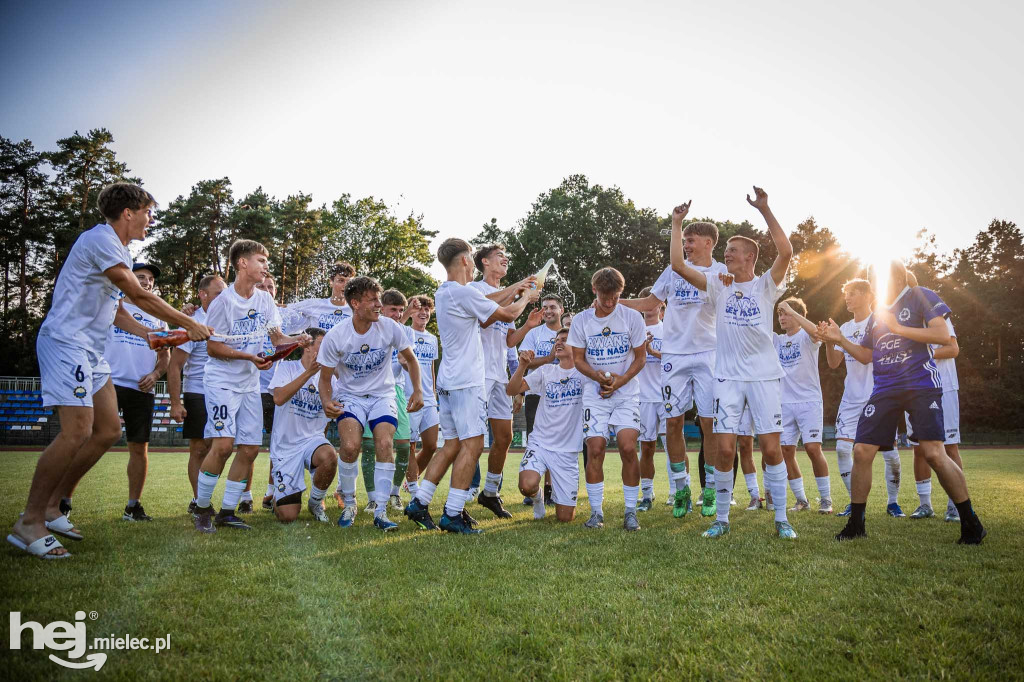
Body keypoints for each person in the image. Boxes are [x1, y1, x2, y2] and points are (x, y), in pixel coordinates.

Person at [9, 182, 210, 559]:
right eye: (148, 212)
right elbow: (138, 295)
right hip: (67, 343)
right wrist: (190, 322)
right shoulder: (101, 239)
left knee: (107, 431)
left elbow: (119, 311)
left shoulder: (114, 249)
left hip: (91, 350)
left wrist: (151, 333)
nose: (151, 220)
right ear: (129, 212)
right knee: (77, 431)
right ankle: (30, 521)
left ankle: (54, 506)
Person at [822, 261, 985, 544]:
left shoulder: (920, 294)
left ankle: (970, 521)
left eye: (878, 277)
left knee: (934, 453)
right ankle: (856, 523)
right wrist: (839, 339)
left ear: (894, 278)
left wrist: (898, 327)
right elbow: (864, 355)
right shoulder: (877, 315)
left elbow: (942, 336)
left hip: (921, 384)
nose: (874, 283)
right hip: (885, 387)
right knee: (861, 451)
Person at [668, 188, 798, 539]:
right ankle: (721, 519)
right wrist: (677, 223)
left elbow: (786, 251)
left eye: (733, 251)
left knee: (772, 449)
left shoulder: (767, 286)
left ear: (750, 259)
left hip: (764, 378)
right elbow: (678, 265)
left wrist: (766, 209)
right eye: (726, 250)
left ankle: (782, 518)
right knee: (724, 449)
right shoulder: (717, 284)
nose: (727, 253)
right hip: (726, 377)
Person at [404, 238, 536, 534]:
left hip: (449, 382)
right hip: (467, 382)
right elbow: (508, 314)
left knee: (451, 445)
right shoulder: (463, 293)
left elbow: (491, 300)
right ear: (466, 260)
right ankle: (452, 513)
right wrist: (525, 298)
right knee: (474, 444)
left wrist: (515, 288)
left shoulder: (446, 292)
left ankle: (419, 502)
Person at [192, 239, 312, 533]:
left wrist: (298, 339)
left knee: (249, 448)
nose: (265, 267)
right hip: (222, 382)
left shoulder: (265, 300)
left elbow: (276, 340)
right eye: (261, 260)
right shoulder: (223, 303)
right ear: (242, 263)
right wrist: (249, 356)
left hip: (249, 384)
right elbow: (213, 348)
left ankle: (228, 512)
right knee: (222, 446)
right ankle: (202, 507)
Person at [621, 215, 728, 519]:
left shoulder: (721, 272)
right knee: (673, 425)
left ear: (708, 243)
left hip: (709, 355)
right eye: (684, 242)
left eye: (690, 241)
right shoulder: (672, 270)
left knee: (709, 425)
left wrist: (677, 222)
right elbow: (648, 304)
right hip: (675, 356)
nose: (686, 246)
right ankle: (681, 487)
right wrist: (614, 302)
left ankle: (709, 489)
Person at [317, 276, 423, 531]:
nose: (379, 304)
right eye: (372, 300)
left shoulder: (390, 328)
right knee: (351, 447)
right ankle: (350, 504)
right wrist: (326, 401)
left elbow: (412, 359)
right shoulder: (337, 336)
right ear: (355, 303)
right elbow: (324, 378)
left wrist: (418, 390)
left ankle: (381, 510)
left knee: (385, 443)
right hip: (350, 396)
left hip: (382, 395)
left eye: (379, 299)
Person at [567, 267, 647, 532]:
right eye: (605, 297)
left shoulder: (633, 317)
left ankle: (630, 511)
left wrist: (620, 382)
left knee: (627, 447)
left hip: (626, 394)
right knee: (596, 448)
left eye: (615, 296)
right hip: (595, 394)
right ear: (594, 291)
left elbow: (641, 357)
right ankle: (596, 512)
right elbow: (578, 359)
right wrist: (597, 376)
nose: (610, 302)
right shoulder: (581, 320)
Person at [469, 244, 541, 519]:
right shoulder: (475, 291)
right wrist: (519, 290)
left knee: (505, 436)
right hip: (477, 373)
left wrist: (528, 326)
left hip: (499, 375)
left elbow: (509, 339)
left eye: (506, 257)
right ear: (485, 262)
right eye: (500, 257)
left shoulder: (511, 296)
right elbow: (487, 320)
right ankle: (460, 497)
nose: (506, 260)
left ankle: (490, 493)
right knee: (472, 440)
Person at [822, 279, 903, 517]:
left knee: (890, 454)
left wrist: (840, 340)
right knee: (842, 449)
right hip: (851, 397)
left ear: (869, 295)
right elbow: (834, 363)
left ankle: (893, 502)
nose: (847, 298)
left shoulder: (880, 322)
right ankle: (853, 503)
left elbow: (867, 357)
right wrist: (829, 341)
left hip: (879, 395)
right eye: (846, 293)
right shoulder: (845, 327)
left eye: (853, 293)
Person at [105, 262, 171, 521]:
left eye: (150, 279)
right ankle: (64, 502)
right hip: (108, 383)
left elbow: (165, 357)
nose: (146, 282)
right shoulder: (112, 305)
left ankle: (133, 506)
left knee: (139, 448)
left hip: (141, 389)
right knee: (90, 440)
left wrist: (155, 375)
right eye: (140, 277)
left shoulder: (158, 317)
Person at [508, 329, 583, 522]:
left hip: (567, 451)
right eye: (557, 340)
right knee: (527, 485)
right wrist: (522, 366)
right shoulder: (546, 371)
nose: (558, 342)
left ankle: (560, 499)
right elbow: (512, 389)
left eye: (565, 340)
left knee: (566, 518)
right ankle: (538, 498)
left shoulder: (584, 374)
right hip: (540, 443)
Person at [168, 274, 227, 514]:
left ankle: (207, 497)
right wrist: (175, 402)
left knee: (221, 447)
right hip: (198, 392)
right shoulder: (192, 322)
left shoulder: (228, 318)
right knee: (199, 449)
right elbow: (174, 365)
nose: (223, 298)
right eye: (217, 293)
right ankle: (199, 501)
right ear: (203, 295)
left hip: (224, 392)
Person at [267, 328, 338, 523]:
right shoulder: (287, 368)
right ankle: (277, 496)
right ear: (307, 347)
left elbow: (339, 406)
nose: (328, 351)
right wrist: (308, 374)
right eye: (323, 345)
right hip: (286, 447)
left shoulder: (330, 379)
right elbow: (279, 398)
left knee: (330, 456)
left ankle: (315, 502)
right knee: (287, 516)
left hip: (311, 441)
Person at [774, 298, 833, 513]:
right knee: (786, 451)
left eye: (786, 313)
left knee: (812, 449)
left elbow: (818, 333)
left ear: (797, 316)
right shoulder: (778, 341)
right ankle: (801, 500)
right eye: (780, 313)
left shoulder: (807, 337)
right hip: (785, 403)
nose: (781, 317)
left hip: (809, 401)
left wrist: (795, 311)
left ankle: (826, 499)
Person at [908, 310, 963, 522]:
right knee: (919, 448)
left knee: (949, 447)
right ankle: (925, 505)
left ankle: (955, 506)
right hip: (916, 389)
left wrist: (923, 354)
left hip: (944, 387)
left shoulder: (938, 317)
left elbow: (953, 348)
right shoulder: (905, 320)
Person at [518, 293, 565, 505]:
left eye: (552, 307)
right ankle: (534, 488)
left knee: (559, 442)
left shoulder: (569, 334)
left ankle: (551, 490)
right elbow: (524, 362)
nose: (548, 311)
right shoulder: (534, 334)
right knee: (535, 439)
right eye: (545, 307)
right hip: (537, 394)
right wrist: (548, 358)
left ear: (561, 310)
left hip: (563, 395)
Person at [635, 287, 666, 511]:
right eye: (643, 302)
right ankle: (647, 494)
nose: (648, 307)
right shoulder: (634, 330)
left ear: (660, 307)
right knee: (646, 448)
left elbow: (678, 359)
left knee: (674, 446)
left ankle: (677, 493)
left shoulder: (670, 330)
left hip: (668, 396)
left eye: (652, 302)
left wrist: (651, 351)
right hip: (643, 397)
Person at [405, 295, 440, 495]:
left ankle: (411, 478)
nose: (424, 313)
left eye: (427, 310)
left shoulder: (432, 338)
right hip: (409, 396)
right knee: (409, 445)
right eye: (420, 309)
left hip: (429, 399)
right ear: (411, 312)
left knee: (431, 445)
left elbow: (431, 369)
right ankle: (412, 487)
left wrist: (433, 395)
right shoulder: (404, 333)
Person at [284, 261, 356, 331]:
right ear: (331, 282)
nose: (346, 285)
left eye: (349, 282)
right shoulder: (315, 304)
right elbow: (286, 308)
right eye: (341, 280)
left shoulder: (356, 310)